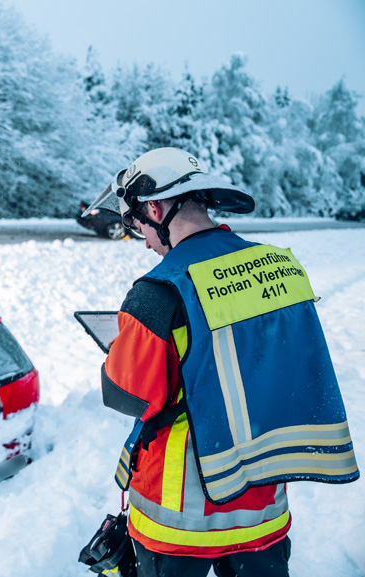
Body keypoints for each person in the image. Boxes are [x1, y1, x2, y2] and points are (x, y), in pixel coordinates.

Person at [82, 147, 358, 577]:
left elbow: (126, 395)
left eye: (139, 228)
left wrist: (126, 346)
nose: (148, 244)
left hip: (176, 519)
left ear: (154, 208)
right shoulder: (280, 269)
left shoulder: (157, 292)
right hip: (261, 508)